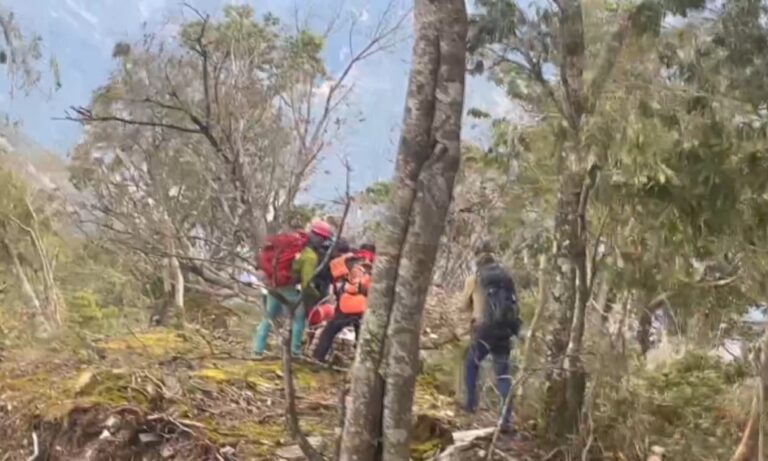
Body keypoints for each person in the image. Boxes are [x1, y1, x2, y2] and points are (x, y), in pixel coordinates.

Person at [461, 240, 521, 434]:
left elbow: (463, 305)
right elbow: (514, 304)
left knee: (471, 364)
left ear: (477, 256)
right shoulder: (506, 277)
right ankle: (506, 420)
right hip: (505, 330)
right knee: (503, 374)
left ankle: (470, 406)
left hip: (484, 330)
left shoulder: (475, 278)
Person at [253, 220, 335, 358]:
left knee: (268, 318)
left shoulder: (289, 242)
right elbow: (306, 283)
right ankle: (295, 353)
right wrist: (315, 296)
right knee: (298, 319)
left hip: (273, 285)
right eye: (323, 239)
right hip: (289, 288)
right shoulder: (309, 255)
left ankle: (257, 350)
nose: (323, 242)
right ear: (319, 238)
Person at [312, 243, 376, 362]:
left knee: (330, 331)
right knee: (362, 335)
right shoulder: (377, 265)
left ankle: (318, 357)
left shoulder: (351, 260)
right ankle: (361, 362)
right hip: (364, 305)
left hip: (346, 303)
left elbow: (333, 271)